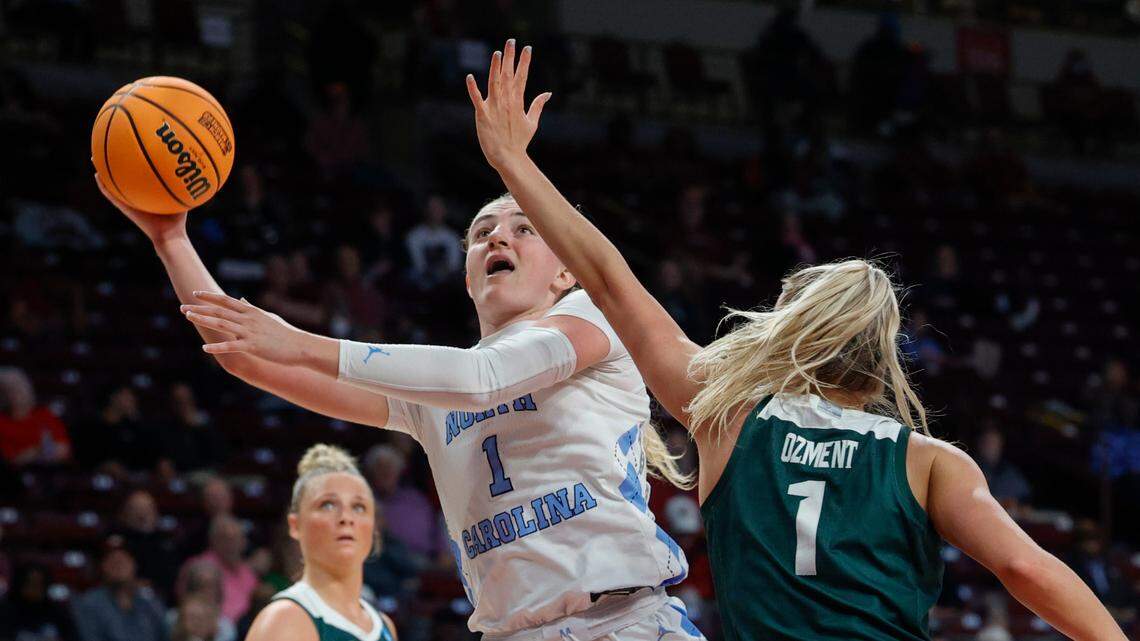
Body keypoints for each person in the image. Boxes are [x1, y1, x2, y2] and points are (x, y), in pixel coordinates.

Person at [463, 40, 1127, 641]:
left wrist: (513, 161)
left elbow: (608, 278)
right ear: (883, 370)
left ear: (787, 335)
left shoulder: (725, 411)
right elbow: (1025, 566)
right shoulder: (929, 462)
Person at [94, 68, 703, 638]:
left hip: (623, 622)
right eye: (483, 233)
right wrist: (171, 237)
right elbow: (245, 357)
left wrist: (304, 342)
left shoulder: (590, 319)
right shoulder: (430, 394)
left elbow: (483, 376)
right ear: (467, 276)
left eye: (522, 227)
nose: (497, 236)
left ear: (565, 271)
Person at [244, 445, 396, 641]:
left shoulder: (384, 626)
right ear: (295, 525)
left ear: (374, 527)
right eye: (328, 504)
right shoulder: (285, 619)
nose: (346, 518)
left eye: (359, 507)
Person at [72, 535, 169, 641]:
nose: (118, 565)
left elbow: (166, 635)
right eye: (112, 560)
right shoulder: (89, 603)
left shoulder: (150, 600)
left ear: (134, 564)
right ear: (102, 567)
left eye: (123, 559)